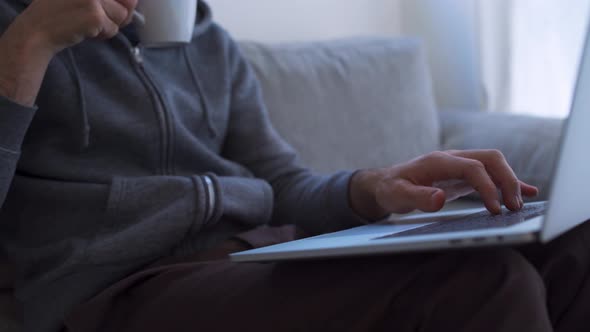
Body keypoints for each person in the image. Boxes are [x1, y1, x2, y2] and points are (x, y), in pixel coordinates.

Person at [0, 0, 588, 331]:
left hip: (255, 254)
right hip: (117, 291)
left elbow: (281, 182)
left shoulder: (209, 40)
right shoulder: (16, 32)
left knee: (570, 247)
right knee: (484, 286)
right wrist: (30, 42)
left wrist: (376, 186)